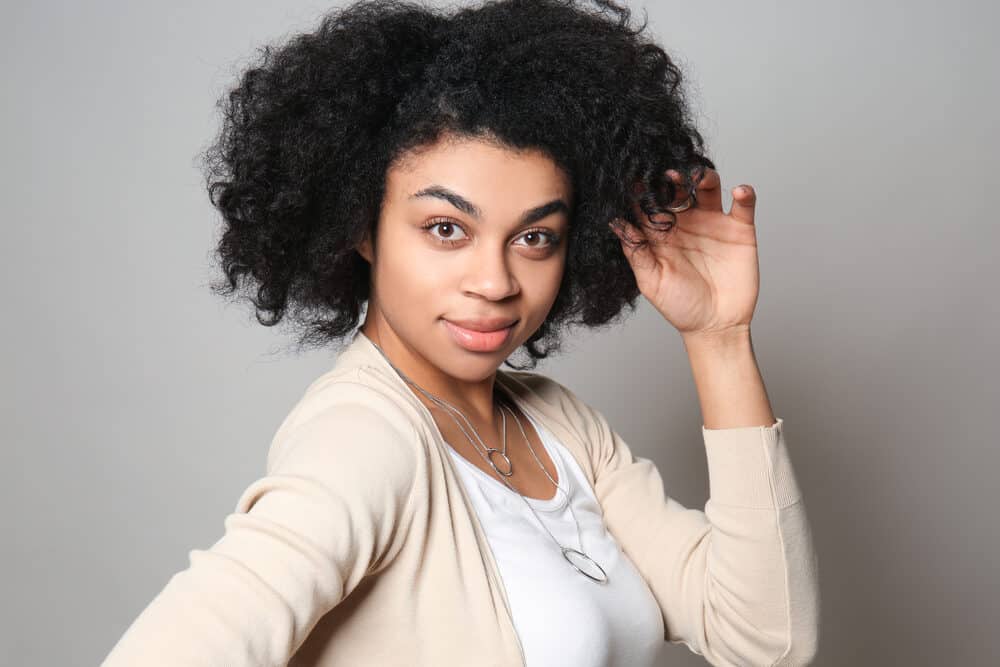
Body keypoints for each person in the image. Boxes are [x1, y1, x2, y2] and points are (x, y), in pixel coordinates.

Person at [102, 0, 820, 665]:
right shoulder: (365, 435)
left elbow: (765, 636)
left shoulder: (557, 423)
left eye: (535, 236)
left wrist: (717, 337)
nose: (496, 280)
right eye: (447, 229)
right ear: (361, 228)